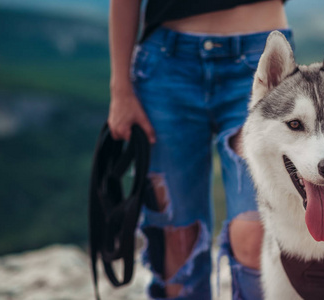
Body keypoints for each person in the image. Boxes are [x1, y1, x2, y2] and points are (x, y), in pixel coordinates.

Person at [108, 0, 292, 299]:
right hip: (166, 67)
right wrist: (120, 91)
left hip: (262, 60)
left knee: (256, 234)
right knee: (177, 240)